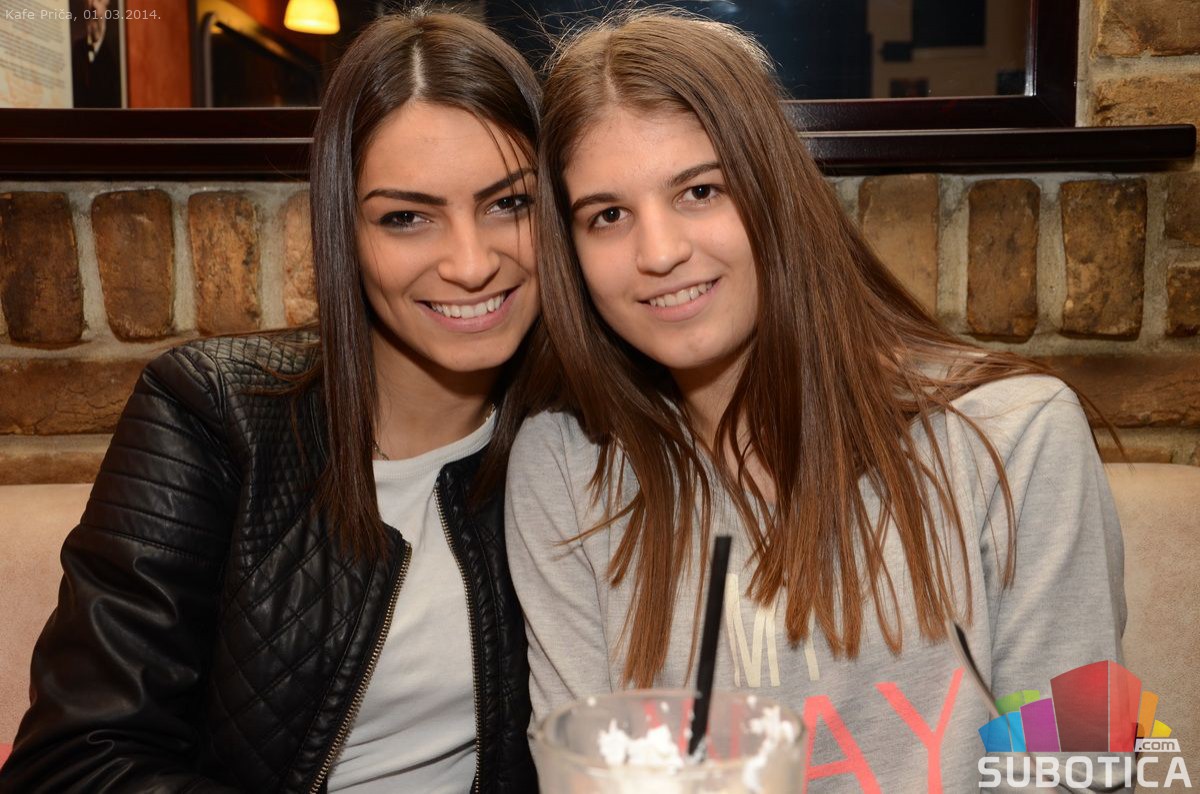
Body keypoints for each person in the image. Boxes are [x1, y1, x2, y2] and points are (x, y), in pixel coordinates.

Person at [505, 11, 1125, 790]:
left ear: (776, 192)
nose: (658, 252)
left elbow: (1082, 770)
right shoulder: (565, 471)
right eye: (608, 215)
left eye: (700, 191)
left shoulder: (1016, 435)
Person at [0, 12, 540, 793]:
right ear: (344, 232)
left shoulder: (584, 439)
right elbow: (75, 764)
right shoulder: (213, 412)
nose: (470, 261)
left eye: (509, 204)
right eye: (406, 217)